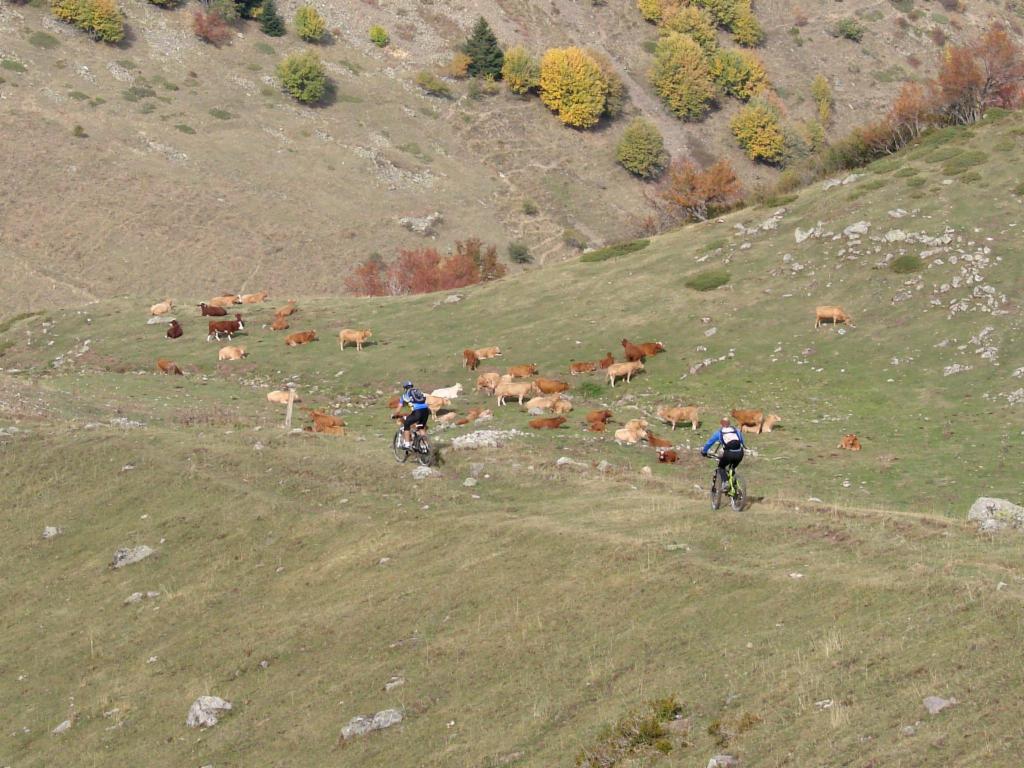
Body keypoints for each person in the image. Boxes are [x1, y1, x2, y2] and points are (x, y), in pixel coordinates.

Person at [700, 417, 745, 491]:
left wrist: (704, 451)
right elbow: (742, 442)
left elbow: (710, 443)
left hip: (729, 454)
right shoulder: (736, 431)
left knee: (721, 467)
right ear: (729, 423)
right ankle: (734, 483)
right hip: (740, 453)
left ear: (721, 424)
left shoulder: (719, 432)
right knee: (732, 467)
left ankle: (725, 482)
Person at [394, 381, 429, 449]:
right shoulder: (418, 392)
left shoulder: (405, 395)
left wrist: (395, 415)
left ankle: (407, 444)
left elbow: (399, 408)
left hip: (417, 411)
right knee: (421, 427)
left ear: (405, 388)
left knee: (406, 424)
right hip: (426, 411)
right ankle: (426, 446)